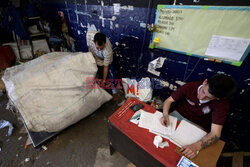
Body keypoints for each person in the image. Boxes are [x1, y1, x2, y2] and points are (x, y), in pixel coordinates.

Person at [160, 74, 237, 159]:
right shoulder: (190, 86)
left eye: (208, 97)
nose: (201, 97)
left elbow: (215, 133)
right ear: (205, 82)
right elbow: (168, 100)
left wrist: (196, 146)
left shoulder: (222, 104)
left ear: (217, 98)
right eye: (203, 91)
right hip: (178, 115)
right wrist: (165, 114)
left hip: (196, 126)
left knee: (179, 152)